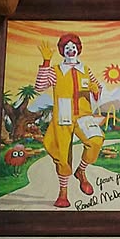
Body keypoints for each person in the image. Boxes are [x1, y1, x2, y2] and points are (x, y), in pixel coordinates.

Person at [35, 33, 104, 207]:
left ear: (78, 49)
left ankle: (81, 171)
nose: (71, 50)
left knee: (96, 141)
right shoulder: (56, 70)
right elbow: (39, 87)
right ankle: (63, 193)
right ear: (62, 51)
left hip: (84, 115)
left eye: (73, 47)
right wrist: (46, 62)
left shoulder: (86, 70)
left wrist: (95, 90)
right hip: (63, 114)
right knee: (62, 154)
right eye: (67, 47)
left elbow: (97, 88)